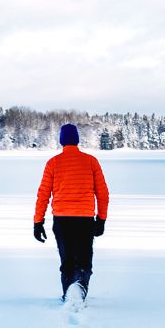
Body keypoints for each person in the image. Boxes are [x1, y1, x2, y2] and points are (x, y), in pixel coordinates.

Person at [33, 123, 109, 303]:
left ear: (61, 141)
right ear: (77, 140)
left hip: (62, 220)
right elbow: (103, 194)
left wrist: (38, 222)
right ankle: (80, 288)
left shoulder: (53, 163)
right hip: (85, 220)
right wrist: (102, 219)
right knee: (84, 259)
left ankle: (69, 293)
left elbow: (43, 194)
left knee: (67, 260)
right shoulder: (91, 161)